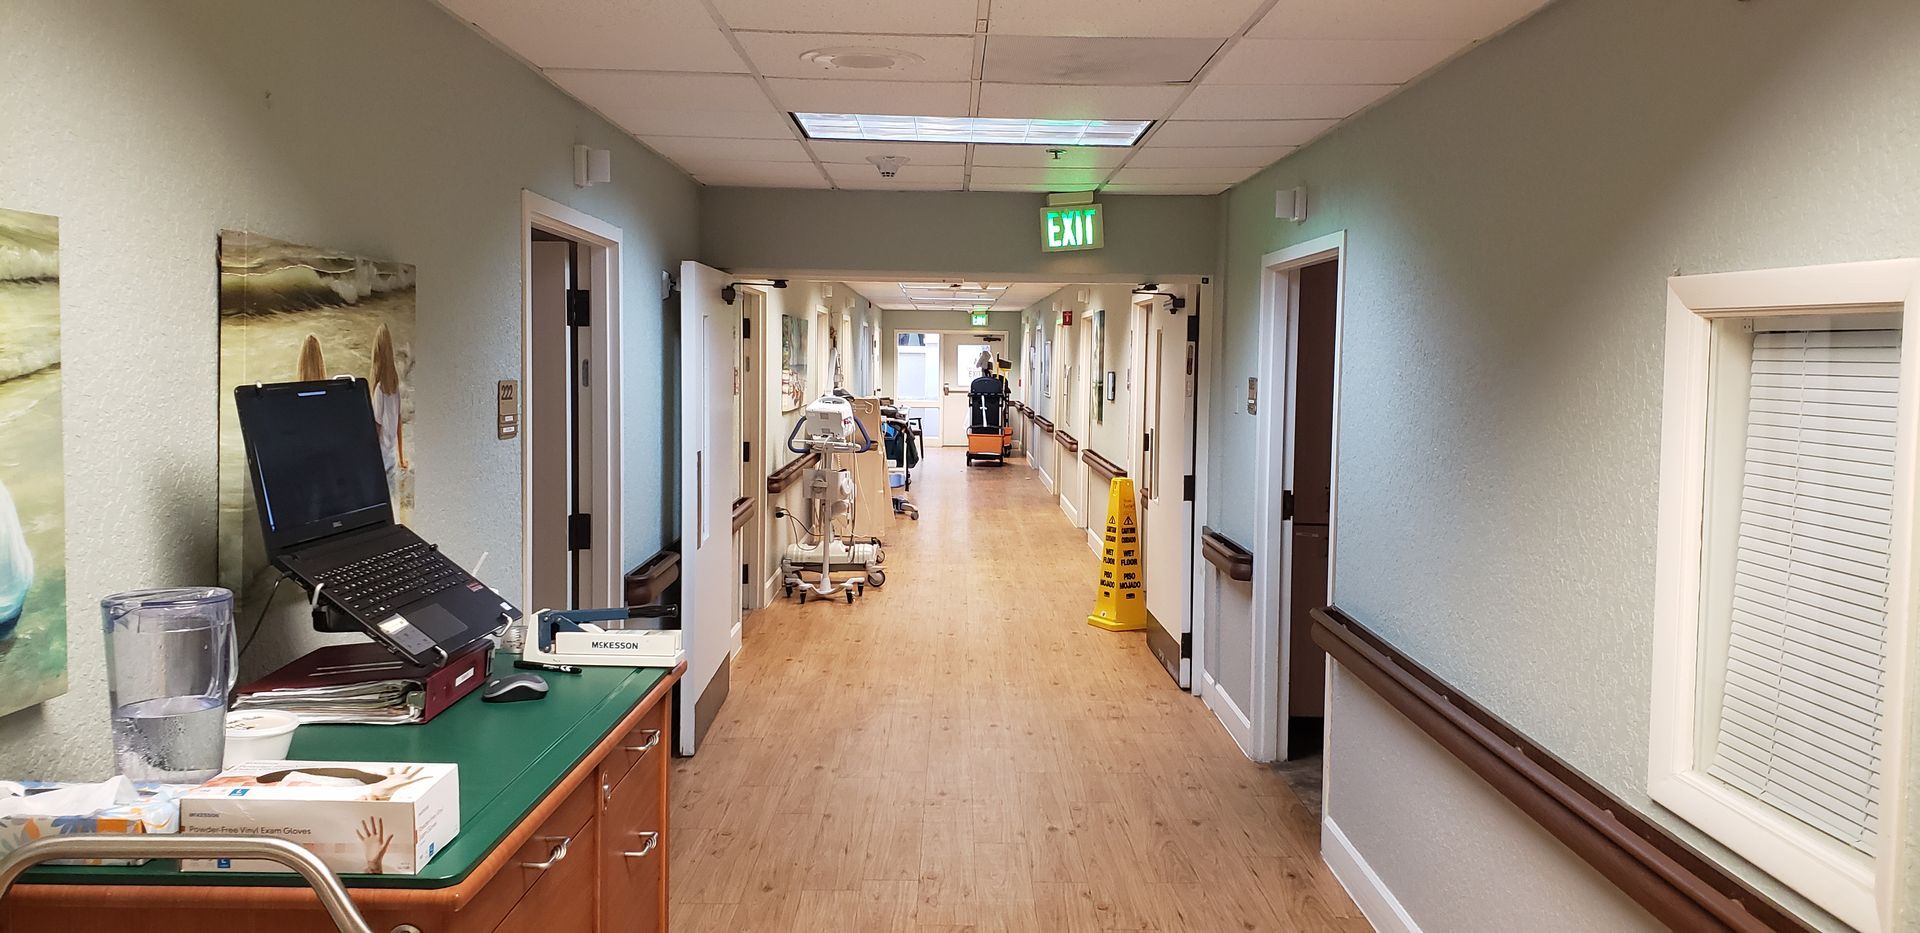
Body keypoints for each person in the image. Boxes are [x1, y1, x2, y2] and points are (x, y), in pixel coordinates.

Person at [369, 323, 407, 496]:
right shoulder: (394, 386)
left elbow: (377, 425)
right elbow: (399, 420)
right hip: (391, 454)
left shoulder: (378, 390)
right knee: (392, 499)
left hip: (380, 456)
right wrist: (401, 456)